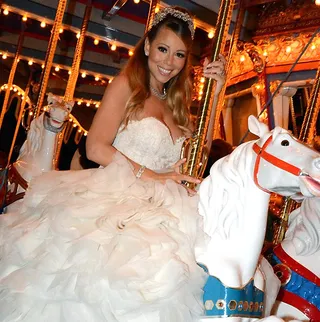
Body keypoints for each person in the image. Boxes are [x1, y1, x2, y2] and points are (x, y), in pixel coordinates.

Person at [0, 6, 226, 322]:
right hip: (119, 195)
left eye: (178, 55)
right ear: (147, 46)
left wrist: (216, 96)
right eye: (162, 49)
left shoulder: (175, 104)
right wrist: (153, 177)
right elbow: (95, 147)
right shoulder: (126, 85)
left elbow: (194, 161)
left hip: (166, 205)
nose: (168, 62)